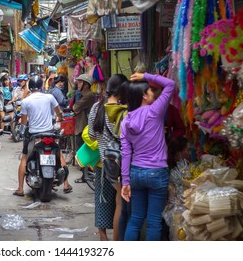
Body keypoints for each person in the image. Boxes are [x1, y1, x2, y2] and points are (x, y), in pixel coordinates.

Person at [120, 72, 176, 241]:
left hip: (136, 172)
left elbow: (126, 153)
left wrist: (125, 181)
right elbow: (170, 84)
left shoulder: (126, 121)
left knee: (135, 219)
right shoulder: (155, 111)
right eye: (150, 90)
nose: (153, 92)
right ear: (144, 96)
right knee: (153, 222)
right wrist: (146, 75)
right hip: (157, 172)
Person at [13, 75, 72, 197]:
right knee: (59, 154)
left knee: (24, 158)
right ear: (41, 86)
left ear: (30, 87)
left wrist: (22, 130)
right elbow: (58, 112)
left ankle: (20, 189)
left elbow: (24, 121)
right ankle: (66, 184)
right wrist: (59, 119)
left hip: (34, 134)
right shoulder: (49, 97)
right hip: (49, 132)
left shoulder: (25, 101)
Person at [88, 74, 129, 241]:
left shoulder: (96, 107)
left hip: (102, 162)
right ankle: (116, 242)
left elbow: (91, 135)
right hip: (120, 163)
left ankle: (103, 238)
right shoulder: (124, 109)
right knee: (120, 202)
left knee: (102, 202)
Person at [72, 74, 95, 151]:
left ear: (86, 85)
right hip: (81, 127)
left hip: (84, 128)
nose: (77, 84)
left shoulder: (88, 96)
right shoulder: (82, 95)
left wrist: (77, 108)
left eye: (80, 82)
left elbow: (75, 107)